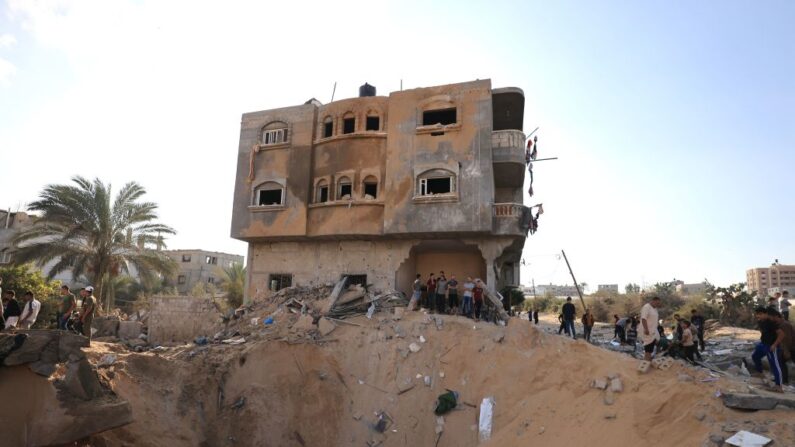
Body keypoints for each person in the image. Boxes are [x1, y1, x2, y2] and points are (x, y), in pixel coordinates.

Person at [751, 307, 786, 392]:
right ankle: (760, 373)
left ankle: (779, 386)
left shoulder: (771, 323)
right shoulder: (760, 322)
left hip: (771, 346)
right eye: (757, 314)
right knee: (755, 356)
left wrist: (774, 345)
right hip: (763, 344)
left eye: (760, 314)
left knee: (774, 365)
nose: (758, 316)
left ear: (766, 314)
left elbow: (781, 334)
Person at [769, 309, 793, 385]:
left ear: (776, 317)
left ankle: (784, 380)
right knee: (781, 362)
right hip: (789, 347)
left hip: (791, 347)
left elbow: (787, 340)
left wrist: (786, 351)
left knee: (781, 362)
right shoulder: (780, 324)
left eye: (771, 318)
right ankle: (783, 380)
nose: (770, 320)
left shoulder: (784, 325)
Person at [639, 296, 662, 362]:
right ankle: (646, 361)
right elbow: (643, 318)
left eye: (658, 304)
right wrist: (646, 329)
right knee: (648, 348)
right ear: (653, 301)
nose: (658, 305)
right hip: (647, 331)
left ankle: (648, 360)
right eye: (657, 303)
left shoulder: (655, 309)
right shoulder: (647, 307)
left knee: (652, 346)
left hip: (653, 330)